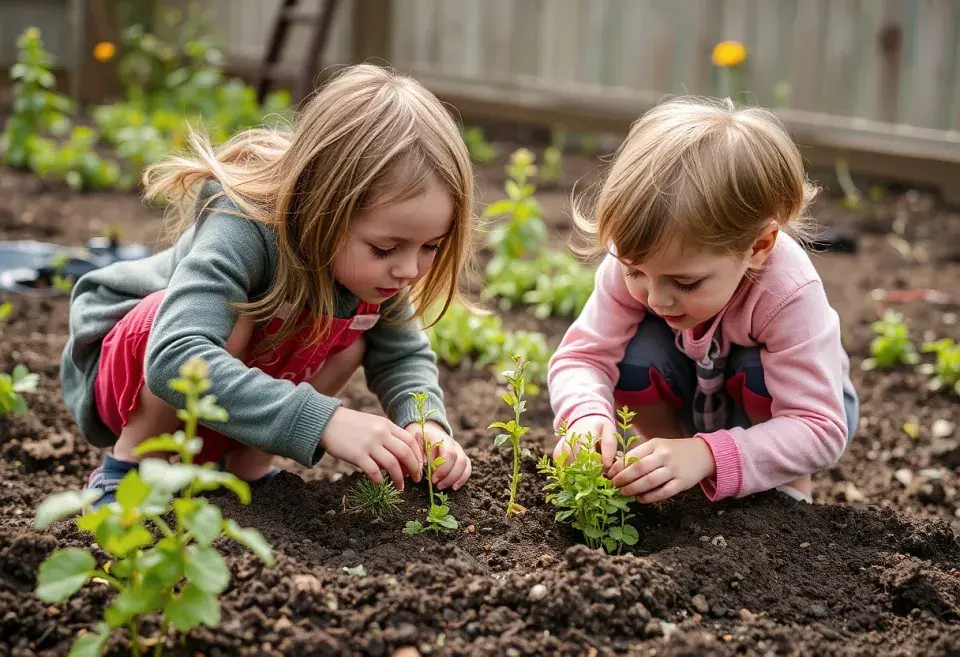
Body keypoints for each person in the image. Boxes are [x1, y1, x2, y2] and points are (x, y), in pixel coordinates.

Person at [61, 64, 475, 506]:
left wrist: (424, 423)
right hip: (131, 373)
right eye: (383, 248)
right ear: (321, 206)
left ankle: (245, 472)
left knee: (353, 342)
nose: (409, 269)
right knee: (233, 317)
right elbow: (173, 357)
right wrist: (327, 422)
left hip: (221, 397)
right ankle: (129, 472)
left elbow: (403, 354)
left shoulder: (382, 275)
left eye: (431, 246)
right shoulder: (243, 222)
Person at [548, 96, 858, 505]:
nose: (656, 297)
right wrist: (584, 413)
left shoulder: (787, 292)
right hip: (694, 396)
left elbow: (817, 427)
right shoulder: (637, 260)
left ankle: (787, 497)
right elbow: (583, 358)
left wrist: (708, 454)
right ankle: (669, 466)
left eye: (685, 282)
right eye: (635, 273)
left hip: (785, 418)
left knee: (758, 368)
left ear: (759, 245)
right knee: (632, 354)